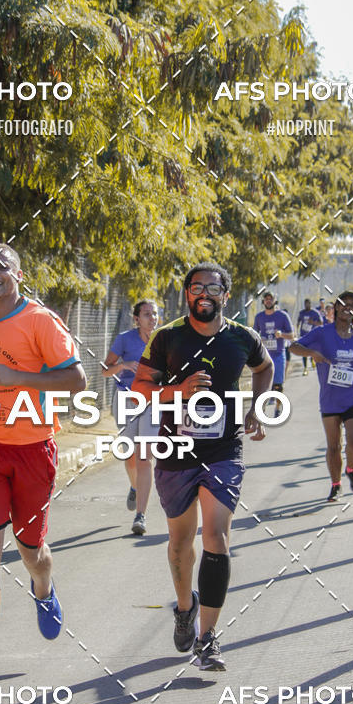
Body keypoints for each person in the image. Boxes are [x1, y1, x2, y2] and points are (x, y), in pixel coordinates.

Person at [0, 243, 87, 698]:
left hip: (31, 449)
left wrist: (19, 379)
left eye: (1, 266)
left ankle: (43, 587)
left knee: (31, 551)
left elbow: (77, 380)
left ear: (19, 275)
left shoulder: (40, 321)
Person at [132, 262, 273, 671]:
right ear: (187, 294)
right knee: (180, 541)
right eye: (196, 288)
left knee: (216, 535)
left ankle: (207, 637)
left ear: (225, 295)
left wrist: (258, 407)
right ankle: (184, 607)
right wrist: (178, 389)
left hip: (223, 450)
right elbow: (140, 389)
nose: (204, 294)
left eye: (213, 288)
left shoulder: (243, 337)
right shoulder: (167, 336)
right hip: (175, 451)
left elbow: (264, 368)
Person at [290, 291, 353, 502]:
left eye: (352, 305)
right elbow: (294, 346)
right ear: (336, 307)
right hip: (330, 398)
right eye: (343, 304)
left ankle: (350, 469)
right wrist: (312, 353)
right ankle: (336, 485)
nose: (347, 308)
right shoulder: (322, 333)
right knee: (334, 446)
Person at [103, 300, 159, 535]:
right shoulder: (124, 339)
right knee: (130, 456)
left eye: (154, 314)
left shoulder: (164, 339)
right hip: (126, 400)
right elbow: (105, 369)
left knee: (145, 457)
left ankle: (140, 515)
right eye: (147, 314)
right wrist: (123, 365)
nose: (152, 318)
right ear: (136, 319)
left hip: (153, 401)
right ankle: (135, 487)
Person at [253, 292, 294, 414]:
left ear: (275, 301)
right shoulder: (259, 317)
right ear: (263, 301)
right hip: (264, 356)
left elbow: (292, 335)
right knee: (262, 385)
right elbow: (254, 335)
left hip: (278, 355)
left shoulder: (283, 316)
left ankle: (278, 407)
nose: (268, 301)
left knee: (278, 385)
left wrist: (281, 334)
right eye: (266, 299)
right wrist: (259, 339)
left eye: (271, 299)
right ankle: (262, 410)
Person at [297, 299, 323, 375]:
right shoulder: (302, 313)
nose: (307, 305)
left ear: (311, 304)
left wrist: (313, 322)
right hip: (303, 335)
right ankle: (305, 368)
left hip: (312, 335)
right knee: (303, 351)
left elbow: (321, 323)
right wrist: (297, 328)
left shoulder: (315, 313)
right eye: (305, 304)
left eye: (308, 304)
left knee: (312, 350)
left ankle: (312, 360)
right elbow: (298, 321)